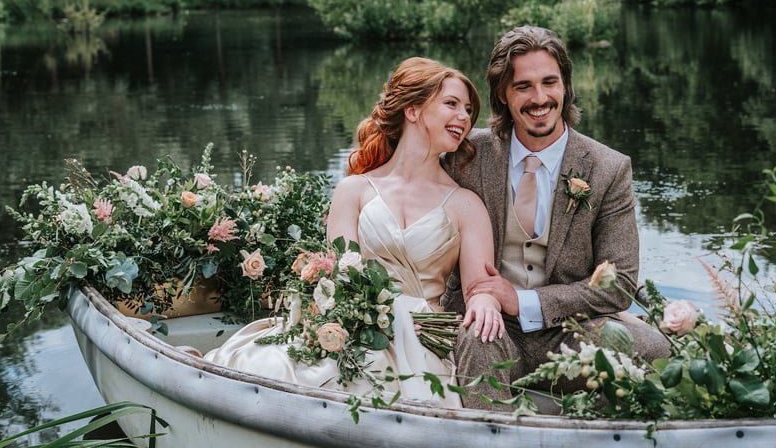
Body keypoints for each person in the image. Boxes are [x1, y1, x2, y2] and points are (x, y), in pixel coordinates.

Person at [205, 57, 507, 410]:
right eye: (452, 104)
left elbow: (477, 289)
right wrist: (377, 317)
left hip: (425, 339)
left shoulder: (466, 205)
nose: (465, 117)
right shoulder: (354, 190)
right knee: (277, 367)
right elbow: (342, 277)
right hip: (357, 328)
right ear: (412, 109)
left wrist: (485, 300)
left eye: (469, 110)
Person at [442, 26, 670, 398]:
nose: (540, 98)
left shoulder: (608, 168)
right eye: (523, 86)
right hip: (489, 322)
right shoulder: (467, 156)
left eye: (550, 82)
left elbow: (621, 284)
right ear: (502, 94)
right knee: (478, 341)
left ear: (565, 85)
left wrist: (523, 301)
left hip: (572, 330)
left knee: (653, 351)